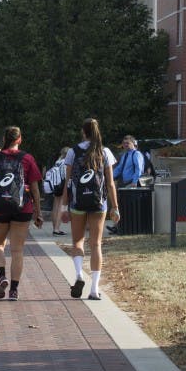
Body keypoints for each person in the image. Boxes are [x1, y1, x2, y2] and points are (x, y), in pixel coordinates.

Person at [0, 126, 44, 301]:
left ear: (4, 139)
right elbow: (36, 189)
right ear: (19, 139)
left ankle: (1, 276)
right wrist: (38, 212)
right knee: (17, 250)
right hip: (22, 209)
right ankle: (14, 290)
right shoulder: (28, 159)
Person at [60, 118, 120, 300]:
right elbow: (110, 183)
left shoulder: (72, 152)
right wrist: (115, 207)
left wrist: (63, 206)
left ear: (83, 132)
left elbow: (68, 182)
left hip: (77, 203)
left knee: (77, 242)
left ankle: (79, 275)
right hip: (98, 203)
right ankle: (94, 289)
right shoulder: (105, 152)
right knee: (96, 244)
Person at [43, 146, 70, 236]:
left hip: (55, 186)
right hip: (61, 186)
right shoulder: (65, 163)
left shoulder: (57, 162)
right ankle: (57, 229)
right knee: (60, 207)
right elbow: (66, 176)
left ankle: (55, 227)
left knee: (55, 207)